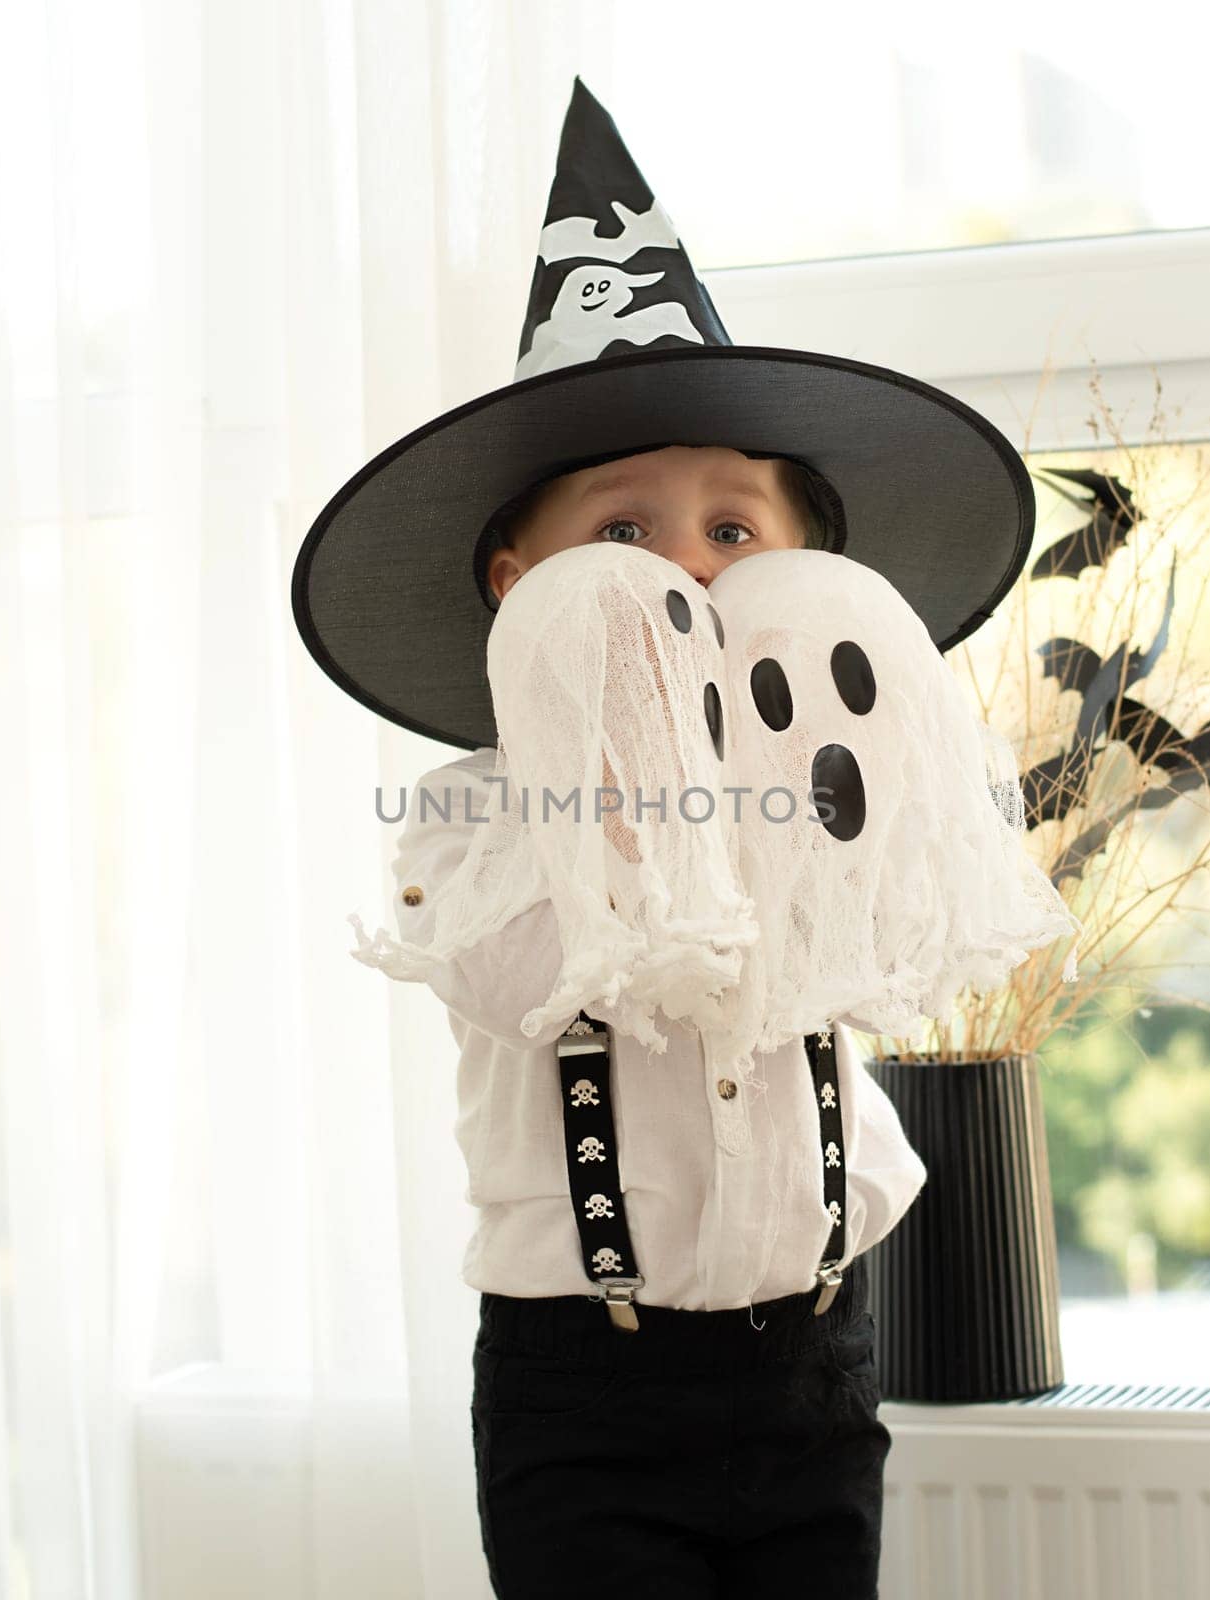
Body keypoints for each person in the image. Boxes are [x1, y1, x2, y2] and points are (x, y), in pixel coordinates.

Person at [292, 76, 1048, 1598]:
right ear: (520, 582)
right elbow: (538, 977)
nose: (687, 575)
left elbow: (874, 940)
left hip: (818, 1359)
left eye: (732, 529)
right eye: (622, 536)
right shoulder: (475, 812)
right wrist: (637, 758)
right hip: (588, 1387)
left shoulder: (824, 795)